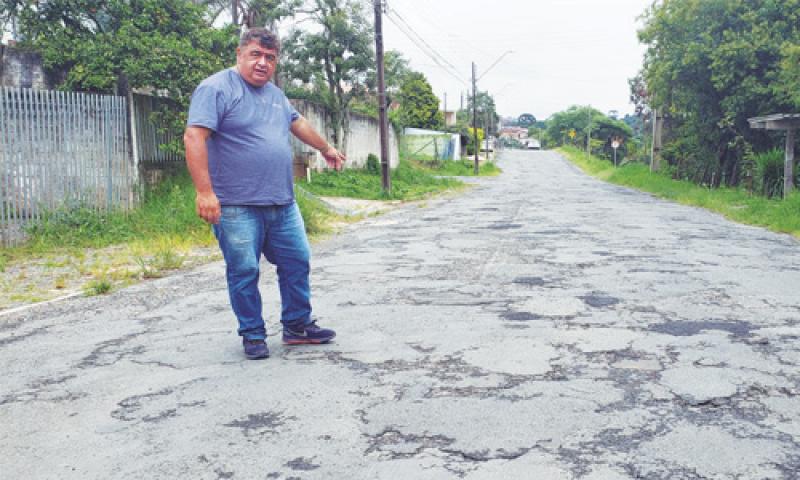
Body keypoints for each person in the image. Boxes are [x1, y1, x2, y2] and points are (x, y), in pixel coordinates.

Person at [183, 28, 345, 360]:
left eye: (270, 58)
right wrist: (204, 192)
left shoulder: (275, 94)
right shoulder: (215, 88)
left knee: (297, 261)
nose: (263, 63)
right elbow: (193, 137)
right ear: (240, 54)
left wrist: (326, 147)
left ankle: (298, 326)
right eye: (256, 54)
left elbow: (297, 123)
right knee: (244, 270)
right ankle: (253, 334)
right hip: (236, 204)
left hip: (282, 202)